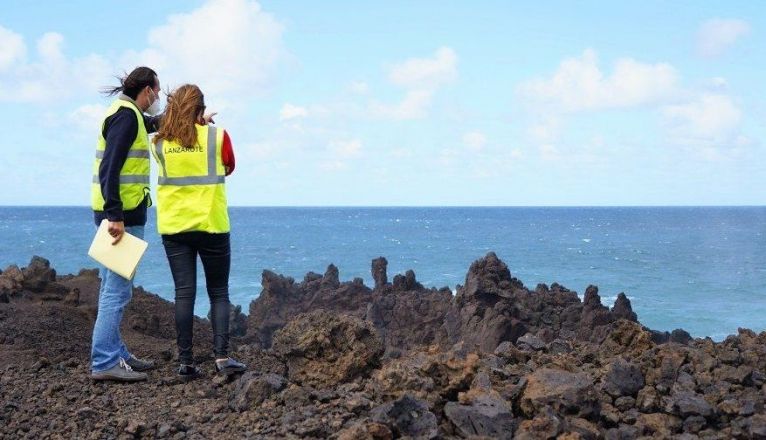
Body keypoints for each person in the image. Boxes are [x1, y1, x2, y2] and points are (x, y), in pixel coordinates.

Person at [151, 84, 246, 381]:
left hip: (175, 227)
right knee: (218, 292)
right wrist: (203, 126)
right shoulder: (218, 136)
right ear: (202, 110)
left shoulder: (159, 143)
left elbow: (175, 137)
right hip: (212, 224)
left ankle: (186, 363)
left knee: (184, 293)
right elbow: (229, 167)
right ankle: (221, 357)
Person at [89, 66, 162, 381]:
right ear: (146, 90)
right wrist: (115, 215)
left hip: (117, 215)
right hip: (121, 218)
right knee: (117, 291)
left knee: (112, 286)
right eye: (157, 93)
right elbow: (110, 167)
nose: (158, 98)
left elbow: (153, 123)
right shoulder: (126, 116)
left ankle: (116, 354)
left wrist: (191, 118)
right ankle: (105, 362)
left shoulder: (128, 112)